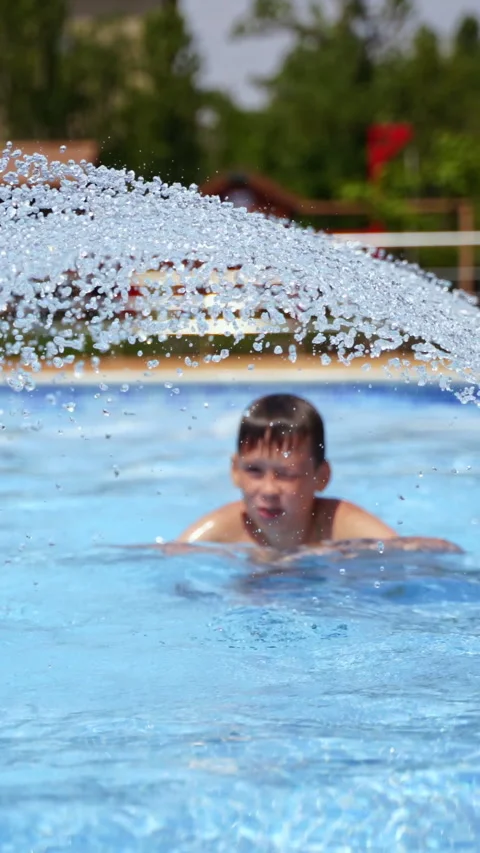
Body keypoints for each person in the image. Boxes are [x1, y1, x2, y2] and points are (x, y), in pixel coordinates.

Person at [176, 393, 459, 553]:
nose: (269, 489)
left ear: (321, 477)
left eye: (286, 474)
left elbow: (432, 553)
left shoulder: (339, 526)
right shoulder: (220, 533)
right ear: (235, 471)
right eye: (254, 470)